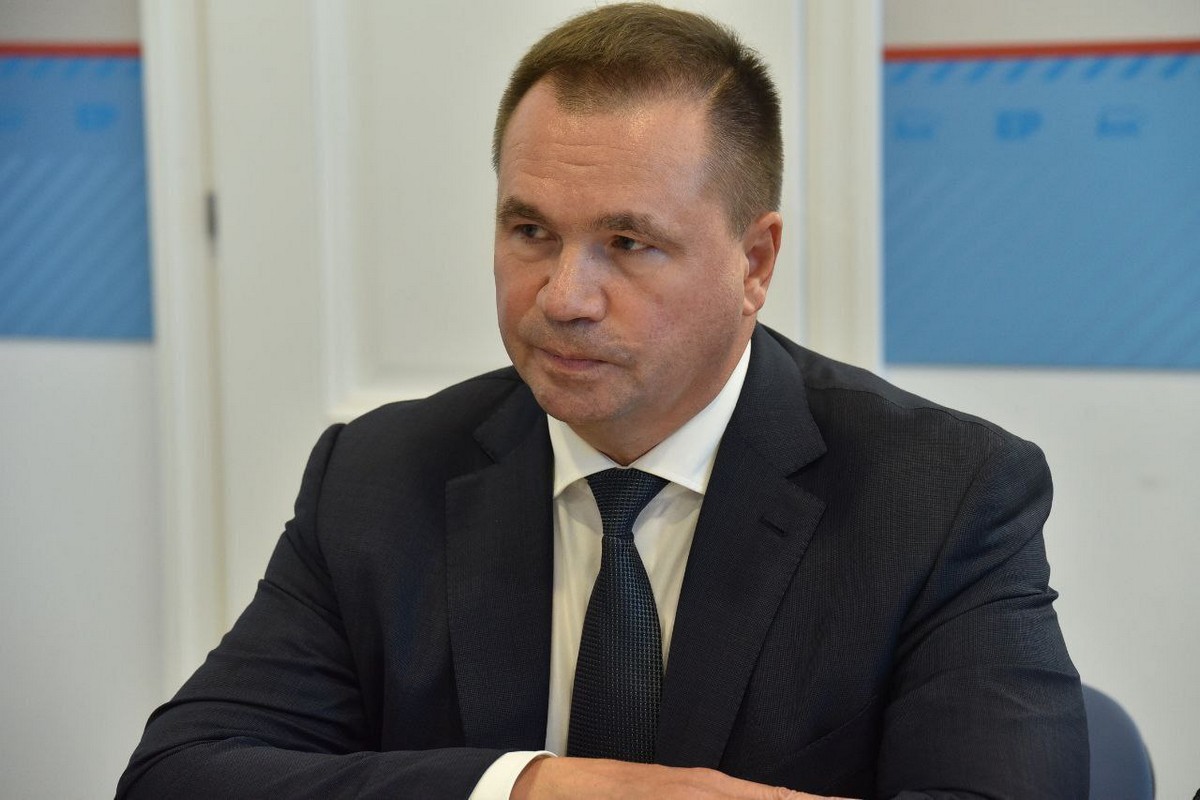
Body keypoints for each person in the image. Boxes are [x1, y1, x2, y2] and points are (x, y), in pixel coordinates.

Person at [117, 4, 1088, 798]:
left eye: (628, 244)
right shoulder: (376, 478)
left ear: (753, 263)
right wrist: (529, 788)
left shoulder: (944, 494)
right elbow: (182, 773)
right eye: (530, 231)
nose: (563, 297)